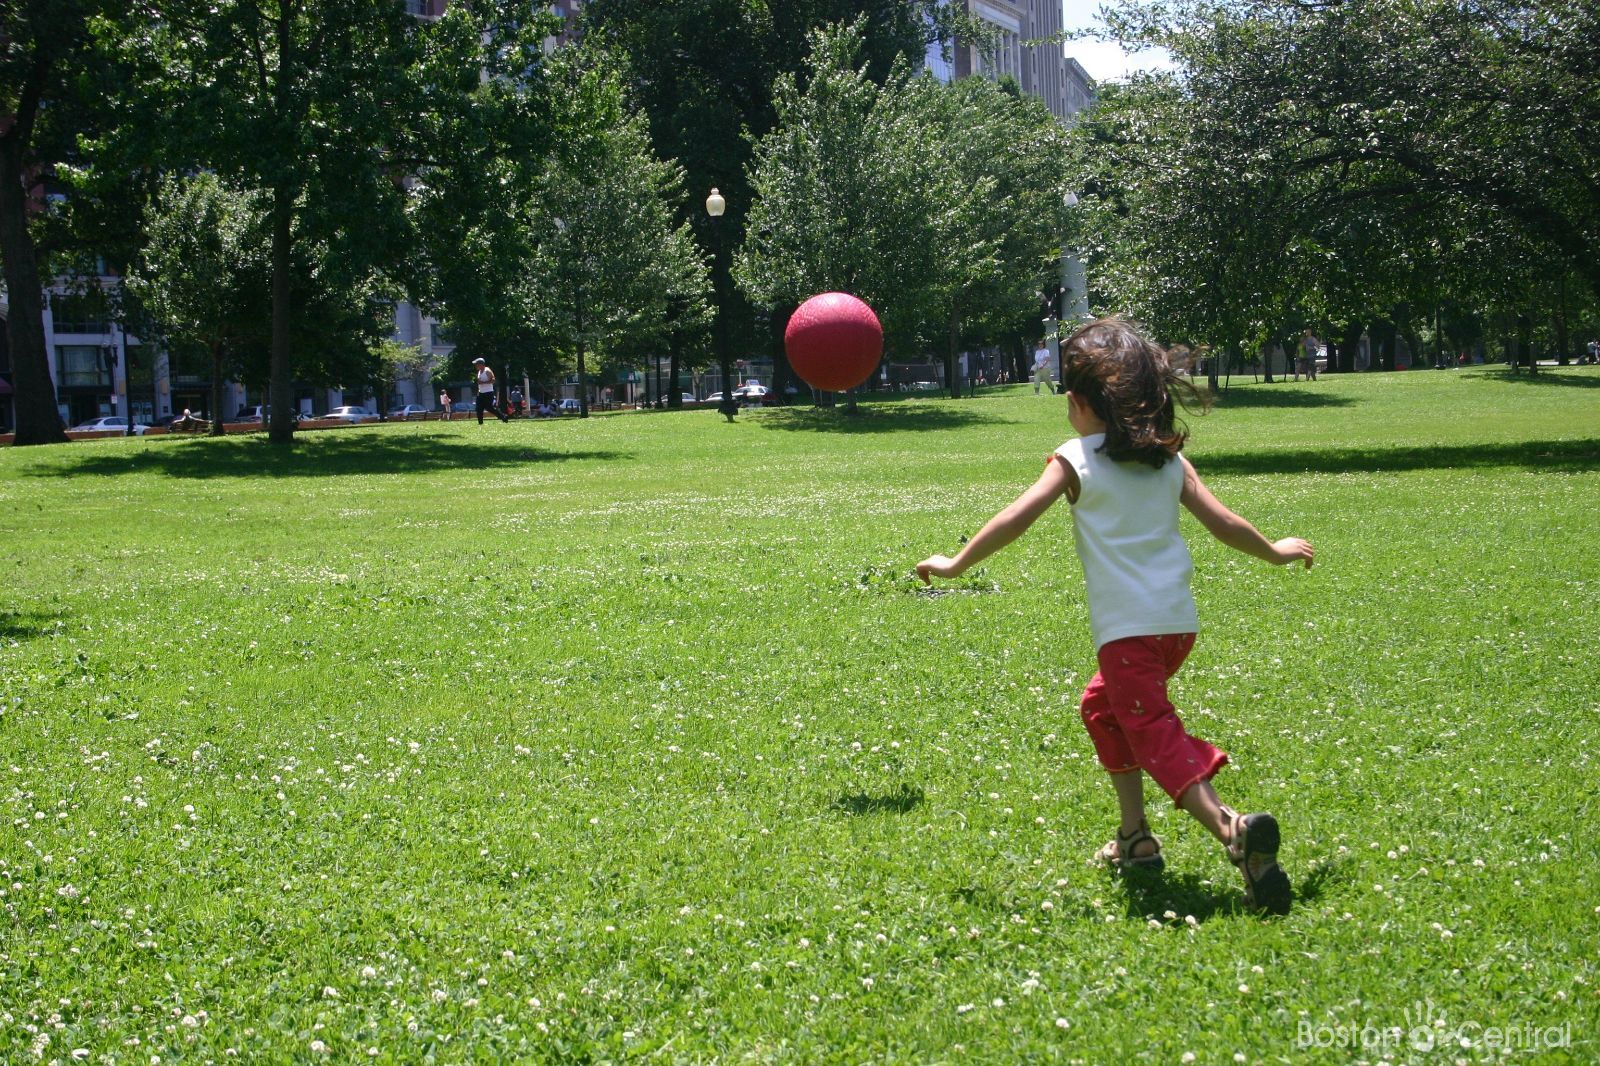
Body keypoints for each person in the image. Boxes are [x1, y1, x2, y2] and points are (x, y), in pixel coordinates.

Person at [915, 317, 1313, 914]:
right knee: (1103, 709)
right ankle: (1136, 839)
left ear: (1080, 402)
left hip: (1128, 636)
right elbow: (1225, 524)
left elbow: (1015, 518)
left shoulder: (1075, 458)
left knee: (1152, 731)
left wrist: (955, 563)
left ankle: (1231, 829)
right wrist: (1275, 550)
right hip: (1176, 628)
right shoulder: (1166, 460)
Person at [471, 358, 509, 424]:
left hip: (488, 393)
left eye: (477, 364)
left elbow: (493, 380)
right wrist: (478, 391)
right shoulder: (479, 372)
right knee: (479, 408)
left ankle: (503, 416)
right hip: (480, 393)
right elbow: (479, 383)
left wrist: (483, 383)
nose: (476, 366)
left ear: (481, 364)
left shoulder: (487, 371)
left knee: (489, 408)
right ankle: (480, 423)